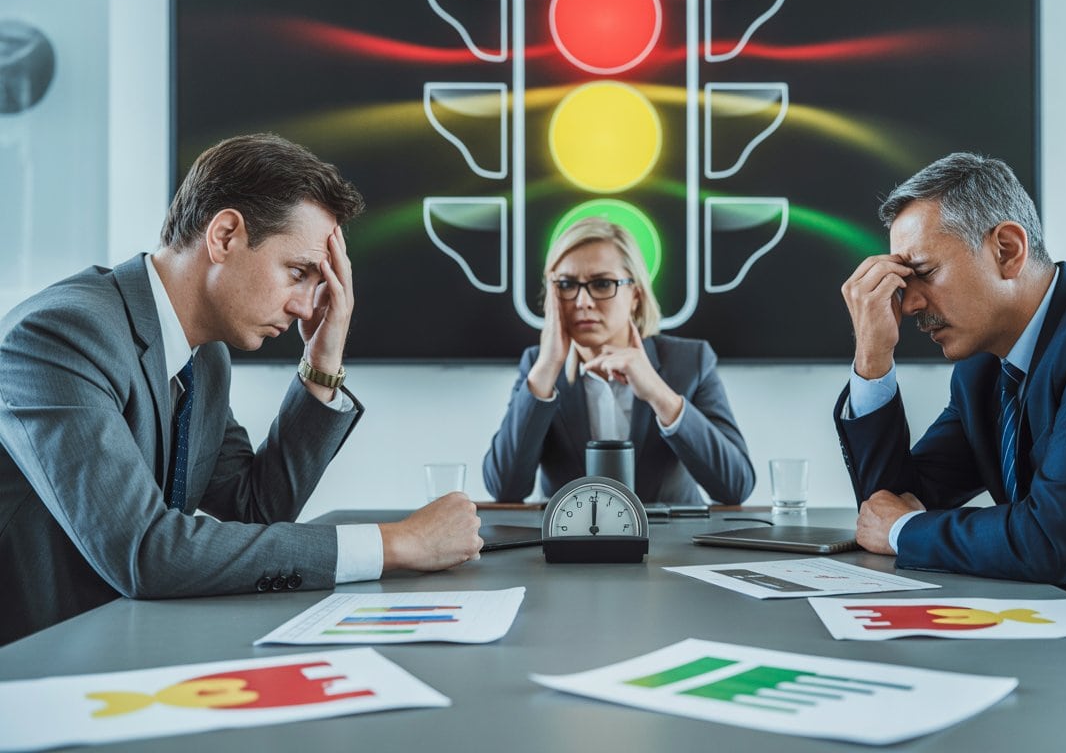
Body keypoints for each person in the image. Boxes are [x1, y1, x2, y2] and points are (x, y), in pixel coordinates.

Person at [0, 134, 482, 645]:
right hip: (35, 666)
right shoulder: (61, 335)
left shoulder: (205, 357)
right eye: (298, 272)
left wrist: (321, 363)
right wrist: (394, 544)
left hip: (127, 647)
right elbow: (144, 551)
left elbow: (256, 507)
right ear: (225, 236)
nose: (304, 306)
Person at [836, 151, 1066, 657]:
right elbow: (889, 504)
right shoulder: (984, 369)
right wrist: (872, 357)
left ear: (1008, 250)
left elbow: (1054, 540)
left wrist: (904, 530)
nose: (908, 305)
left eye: (923, 272)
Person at [484, 218, 754, 505]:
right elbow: (504, 489)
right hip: (573, 543)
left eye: (602, 284)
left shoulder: (690, 361)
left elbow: (735, 486)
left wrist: (658, 394)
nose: (582, 302)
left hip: (672, 544)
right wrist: (547, 367)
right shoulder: (538, 368)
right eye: (566, 284)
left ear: (635, 295)